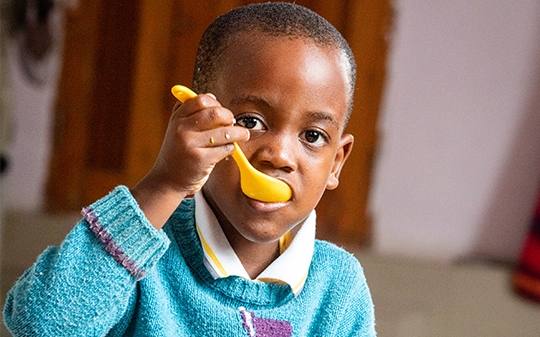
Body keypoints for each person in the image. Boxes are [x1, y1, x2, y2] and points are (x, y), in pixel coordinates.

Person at [3, 2, 376, 336]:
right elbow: (42, 325)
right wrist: (164, 183)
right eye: (250, 122)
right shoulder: (141, 250)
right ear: (198, 124)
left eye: (312, 135)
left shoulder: (338, 288)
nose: (279, 155)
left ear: (336, 162)